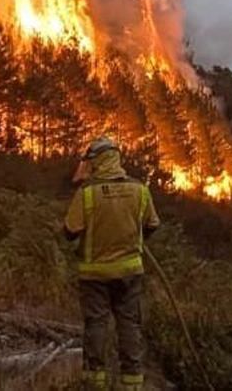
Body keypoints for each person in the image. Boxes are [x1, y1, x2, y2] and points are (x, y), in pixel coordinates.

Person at [63, 136, 160, 391]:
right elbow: (152, 225)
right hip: (130, 272)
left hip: (94, 275)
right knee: (129, 325)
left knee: (96, 325)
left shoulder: (87, 193)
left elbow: (70, 232)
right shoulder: (139, 189)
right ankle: (132, 383)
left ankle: (95, 382)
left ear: (96, 161)